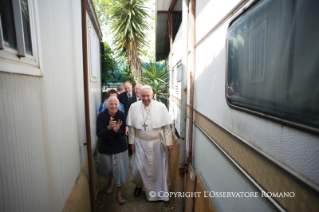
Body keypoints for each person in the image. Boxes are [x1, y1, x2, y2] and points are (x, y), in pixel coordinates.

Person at [126, 85, 173, 201]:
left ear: (152, 95)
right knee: (138, 168)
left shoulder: (161, 106)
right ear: (139, 95)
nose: (146, 98)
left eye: (148, 96)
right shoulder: (133, 107)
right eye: (143, 96)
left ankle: (158, 193)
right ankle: (138, 185)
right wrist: (131, 142)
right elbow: (131, 127)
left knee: (157, 169)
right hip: (140, 143)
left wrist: (169, 143)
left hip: (157, 144)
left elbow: (167, 127)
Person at [96, 96, 129, 205]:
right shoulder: (101, 116)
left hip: (119, 146)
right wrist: (109, 128)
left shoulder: (121, 115)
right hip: (106, 147)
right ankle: (110, 181)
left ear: (118, 105)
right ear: (106, 105)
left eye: (116, 104)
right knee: (109, 169)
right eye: (111, 104)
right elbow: (99, 134)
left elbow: (123, 132)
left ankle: (119, 192)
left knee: (118, 170)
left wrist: (116, 131)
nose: (113, 106)